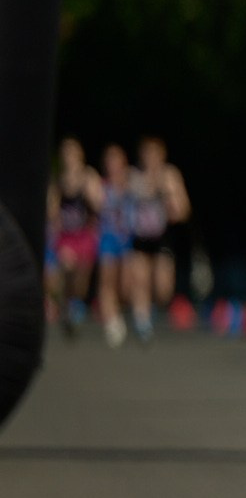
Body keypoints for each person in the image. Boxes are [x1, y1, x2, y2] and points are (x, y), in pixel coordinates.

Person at [131, 136, 191, 328]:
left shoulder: (170, 175)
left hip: (163, 237)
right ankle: (142, 321)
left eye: (154, 153)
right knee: (140, 280)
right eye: (146, 153)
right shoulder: (134, 176)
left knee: (163, 289)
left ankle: (154, 309)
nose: (150, 158)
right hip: (140, 237)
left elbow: (184, 211)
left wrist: (169, 197)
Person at [47, 137, 102, 341]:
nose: (68, 157)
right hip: (66, 236)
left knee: (80, 280)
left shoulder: (88, 176)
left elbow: (99, 204)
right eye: (65, 153)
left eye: (72, 153)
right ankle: (66, 308)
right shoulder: (59, 180)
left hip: (84, 235)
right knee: (66, 266)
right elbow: (52, 211)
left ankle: (74, 305)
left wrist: (88, 192)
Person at [92, 144, 141, 347]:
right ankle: (111, 321)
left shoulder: (132, 183)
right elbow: (94, 204)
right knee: (106, 282)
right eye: (109, 160)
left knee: (125, 286)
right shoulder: (101, 186)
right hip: (107, 238)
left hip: (127, 239)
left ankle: (120, 311)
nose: (112, 164)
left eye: (116, 160)